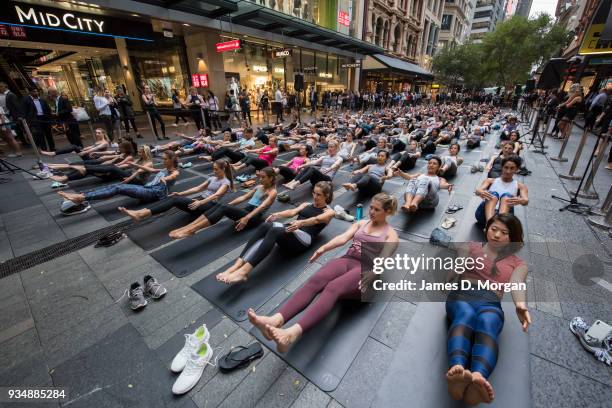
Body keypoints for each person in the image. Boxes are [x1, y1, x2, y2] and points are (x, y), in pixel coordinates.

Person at [248, 192, 399, 352]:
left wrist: (372, 274)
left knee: (333, 287)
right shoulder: (362, 223)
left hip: (367, 270)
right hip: (348, 259)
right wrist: (323, 248)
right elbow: (343, 238)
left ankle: (291, 334)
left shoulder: (391, 234)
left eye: (377, 210)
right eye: (371, 208)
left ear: (388, 212)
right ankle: (275, 320)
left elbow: (383, 260)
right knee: (316, 280)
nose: (372, 212)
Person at [445, 213, 530, 405]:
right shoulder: (472, 247)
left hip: (491, 302)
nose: (497, 235)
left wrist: (520, 304)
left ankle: (478, 378)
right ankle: (456, 371)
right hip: (462, 295)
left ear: (513, 238)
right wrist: (454, 271)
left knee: (488, 321)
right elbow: (455, 267)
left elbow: (517, 282)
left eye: (504, 232)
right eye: (494, 229)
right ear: (486, 229)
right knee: (465, 315)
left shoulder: (519, 264)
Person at [216, 181, 336, 284]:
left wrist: (301, 223)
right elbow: (292, 212)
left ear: (326, 196)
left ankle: (243, 272)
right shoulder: (307, 204)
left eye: (319, 194)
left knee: (275, 229)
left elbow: (317, 219)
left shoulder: (329, 212)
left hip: (304, 239)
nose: (315, 196)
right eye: (314, 193)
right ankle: (236, 265)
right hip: (291, 231)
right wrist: (276, 214)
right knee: (265, 226)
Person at [168, 167, 278, 239]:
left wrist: (246, 218)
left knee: (224, 207)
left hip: (254, 218)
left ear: (271, 178)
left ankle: (192, 230)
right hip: (246, 211)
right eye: (260, 177)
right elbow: (243, 197)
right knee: (220, 205)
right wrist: (230, 204)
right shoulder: (259, 187)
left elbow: (262, 206)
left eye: (263, 177)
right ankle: (188, 227)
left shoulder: (272, 192)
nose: (260, 180)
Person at [58, 151, 180, 211]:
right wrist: (133, 164)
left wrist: (165, 178)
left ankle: (81, 198)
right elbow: (151, 169)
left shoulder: (174, 171)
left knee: (118, 188)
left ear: (171, 160)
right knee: (116, 185)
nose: (163, 160)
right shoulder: (164, 168)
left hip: (154, 194)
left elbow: (173, 176)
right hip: (147, 189)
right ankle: (81, 195)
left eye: (165, 159)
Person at [119, 159, 234, 222]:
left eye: (216, 169)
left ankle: (141, 214)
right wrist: (181, 193)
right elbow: (197, 188)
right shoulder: (212, 178)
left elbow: (216, 195)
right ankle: (142, 211)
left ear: (223, 169)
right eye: (213, 169)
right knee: (172, 197)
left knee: (174, 200)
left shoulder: (226, 182)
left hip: (208, 206)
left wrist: (200, 202)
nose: (214, 171)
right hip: (198, 201)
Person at [49, 143, 153, 185]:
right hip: (126, 175)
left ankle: (76, 171)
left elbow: (138, 170)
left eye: (140, 152)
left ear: (145, 153)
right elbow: (127, 165)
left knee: (111, 167)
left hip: (138, 181)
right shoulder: (138, 159)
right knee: (86, 171)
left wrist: (128, 179)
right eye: (139, 152)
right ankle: (66, 178)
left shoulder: (149, 163)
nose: (138, 153)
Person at [475, 155, 528, 227]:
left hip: (504, 216)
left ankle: (495, 225)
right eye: (506, 167)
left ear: (517, 169)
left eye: (512, 168)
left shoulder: (521, 186)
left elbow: (525, 200)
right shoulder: (490, 181)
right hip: (484, 214)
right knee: (493, 194)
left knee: (507, 197)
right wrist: (480, 192)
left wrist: (521, 200)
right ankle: (490, 224)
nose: (508, 171)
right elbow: (478, 190)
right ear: (502, 167)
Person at [41, 127, 109, 158]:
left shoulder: (104, 143)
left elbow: (94, 149)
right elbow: (90, 147)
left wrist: (83, 152)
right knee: (74, 147)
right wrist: (81, 149)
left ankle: (53, 153)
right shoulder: (98, 141)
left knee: (74, 146)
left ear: (103, 133)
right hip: (91, 155)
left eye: (99, 133)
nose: (97, 134)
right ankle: (54, 153)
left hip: (95, 159)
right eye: (96, 133)